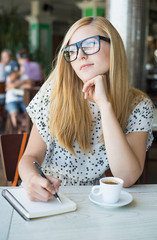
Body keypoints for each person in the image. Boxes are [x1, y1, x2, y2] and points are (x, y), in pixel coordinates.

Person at [19, 17, 154, 202]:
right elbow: (30, 157)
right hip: (48, 197)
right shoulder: (55, 93)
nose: (80, 55)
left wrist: (104, 105)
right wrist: (31, 179)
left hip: (94, 199)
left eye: (90, 45)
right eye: (72, 51)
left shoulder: (139, 105)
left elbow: (127, 177)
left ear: (113, 47)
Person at [1, 49, 30, 129]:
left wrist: (16, 84)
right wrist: (22, 82)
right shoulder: (9, 78)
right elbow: (11, 85)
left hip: (22, 100)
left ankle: (25, 128)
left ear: (17, 71)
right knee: (14, 114)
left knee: (29, 111)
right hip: (11, 101)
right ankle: (19, 129)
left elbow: (29, 86)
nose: (10, 76)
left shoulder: (24, 76)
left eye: (11, 73)